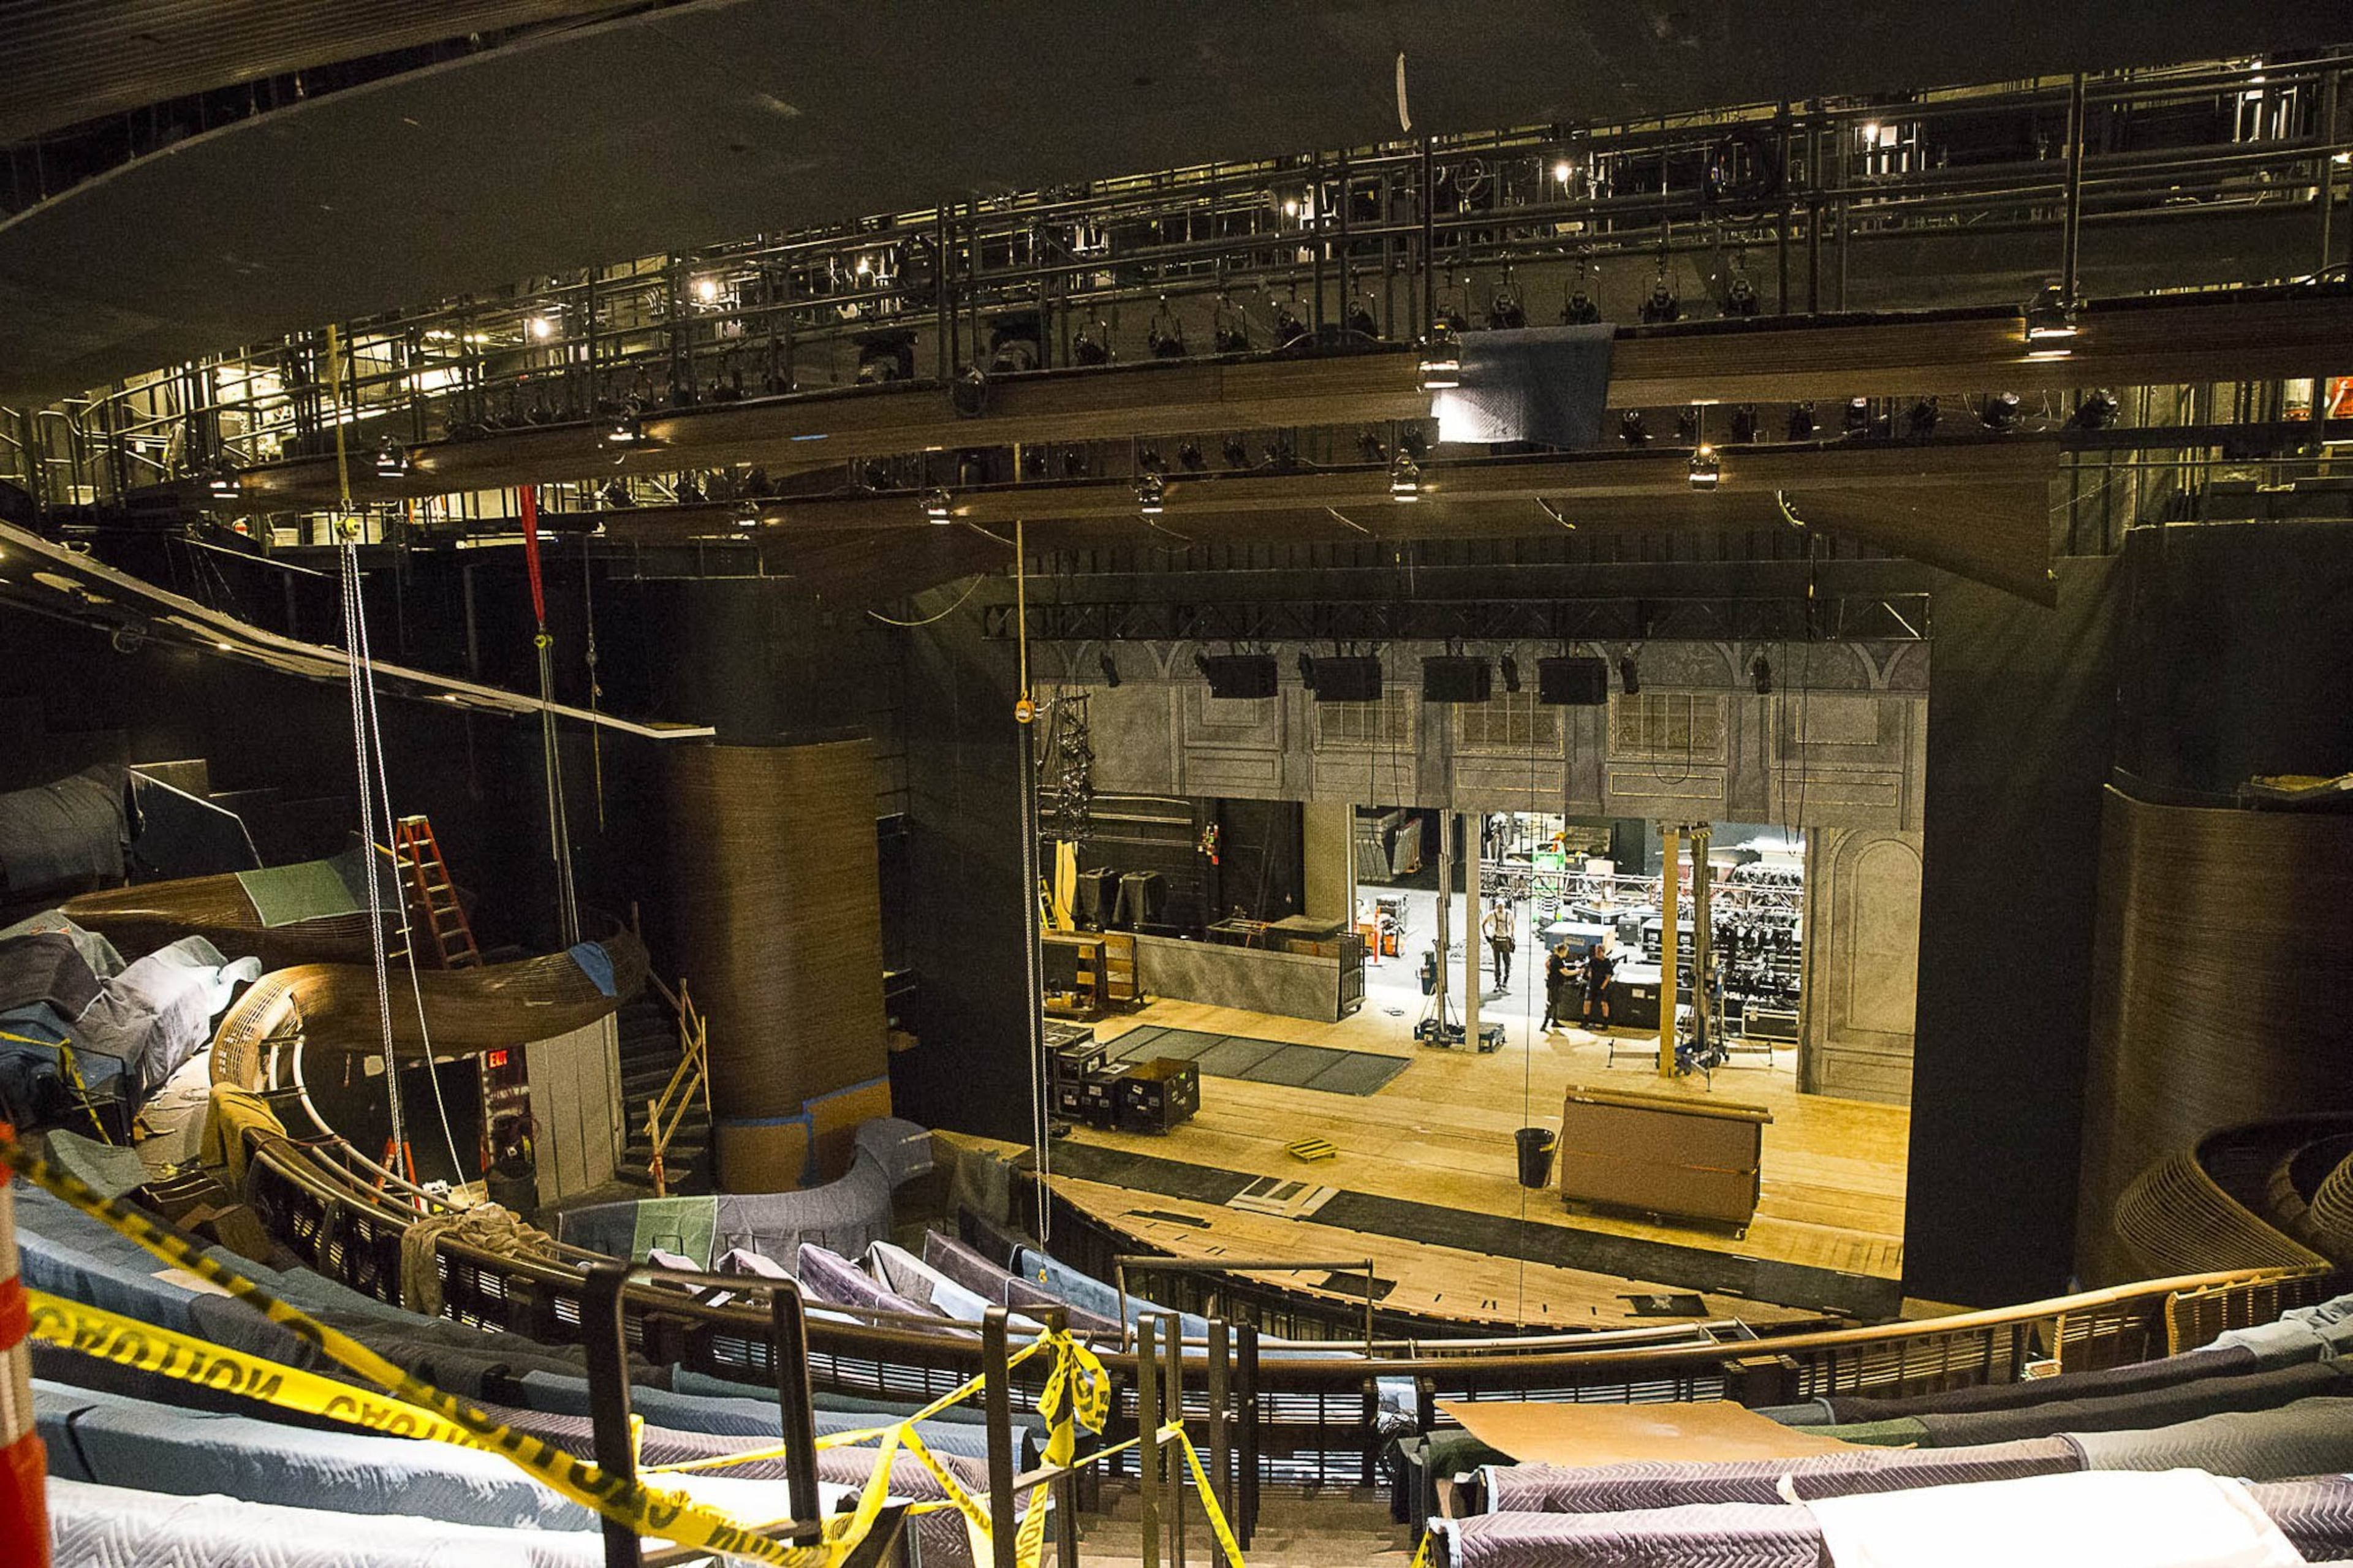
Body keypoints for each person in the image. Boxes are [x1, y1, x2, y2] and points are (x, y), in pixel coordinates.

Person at [1580, 937, 1617, 1032]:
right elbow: (1590, 972)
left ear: (1603, 952)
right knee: (1587, 1002)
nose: (1597, 953)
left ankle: (1605, 1023)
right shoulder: (1593, 961)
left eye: (1599, 952)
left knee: (1604, 1003)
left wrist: (1602, 988)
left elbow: (1608, 976)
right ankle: (1586, 1021)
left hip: (1602, 985)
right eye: (1596, 951)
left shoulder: (1607, 962)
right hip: (1593, 984)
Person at [1484, 901, 1515, 989]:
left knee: (1507, 961)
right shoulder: (1492, 914)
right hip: (1496, 940)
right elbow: (1484, 923)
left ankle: (1506, 979)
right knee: (1497, 962)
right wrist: (1487, 935)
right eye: (1499, 907)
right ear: (1496, 907)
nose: (1500, 909)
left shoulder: (1509, 914)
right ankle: (1498, 982)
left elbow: (1513, 924)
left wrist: (1511, 935)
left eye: (1502, 907)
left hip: (1505, 940)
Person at [1543, 941, 1571, 1032]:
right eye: (1566, 951)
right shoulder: (1558, 960)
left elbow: (1547, 967)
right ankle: (1545, 1024)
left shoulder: (1552, 958)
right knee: (1553, 1004)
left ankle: (1555, 1021)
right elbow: (1565, 972)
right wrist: (1578, 971)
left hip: (1552, 983)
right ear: (1563, 951)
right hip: (1555, 985)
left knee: (1554, 1003)